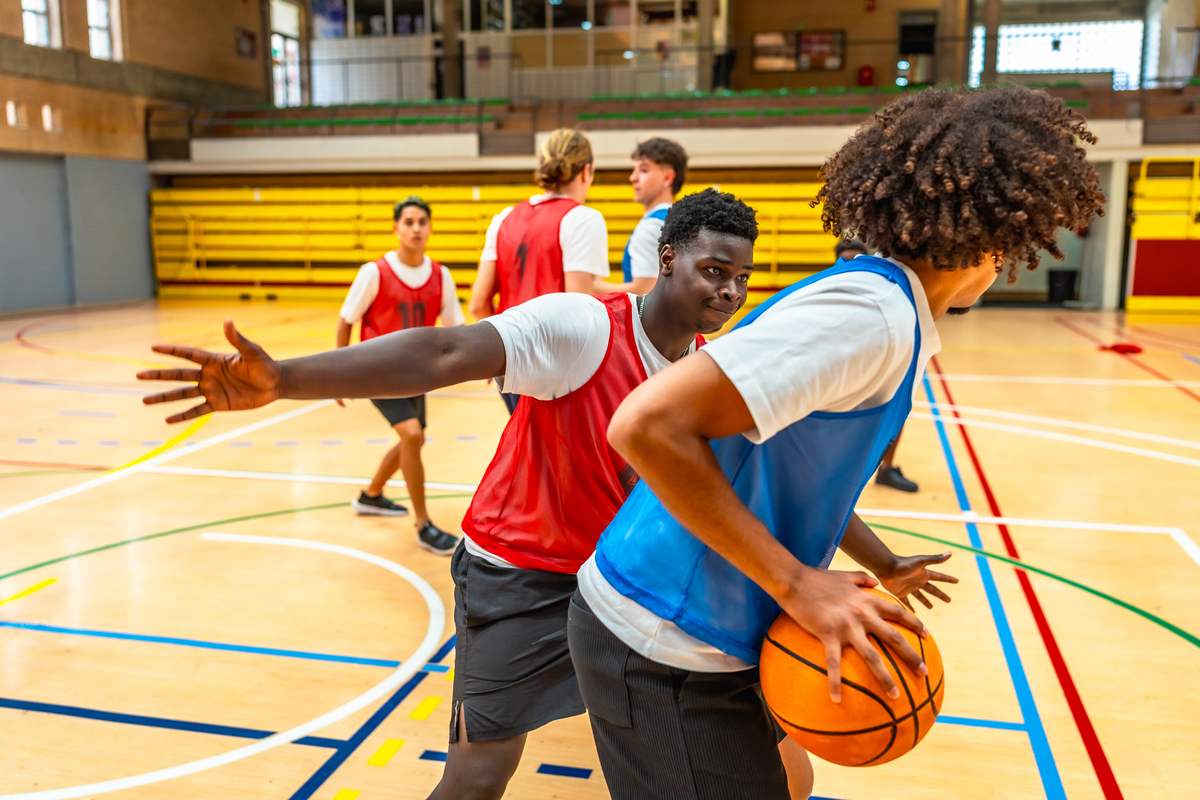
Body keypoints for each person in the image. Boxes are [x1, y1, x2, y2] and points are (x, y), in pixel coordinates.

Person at [139, 189, 820, 800]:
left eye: (740, 279)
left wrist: (861, 568)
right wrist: (286, 378)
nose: (729, 292)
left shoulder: (707, 369)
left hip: (625, 579)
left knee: (782, 766)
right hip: (522, 575)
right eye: (713, 272)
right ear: (667, 259)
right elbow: (445, 353)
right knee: (476, 779)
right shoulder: (583, 327)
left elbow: (757, 478)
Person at [568, 86, 1107, 800]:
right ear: (991, 241)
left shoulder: (887, 309)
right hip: (662, 627)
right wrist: (799, 584)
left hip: (708, 621)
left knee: (792, 778)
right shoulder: (872, 317)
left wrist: (877, 559)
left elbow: (786, 468)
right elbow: (643, 425)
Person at [336, 195, 463, 555]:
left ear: (430, 227)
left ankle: (371, 495)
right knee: (411, 435)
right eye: (408, 222)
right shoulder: (375, 272)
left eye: (422, 221)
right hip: (377, 369)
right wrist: (340, 371)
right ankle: (424, 524)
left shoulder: (441, 275)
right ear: (396, 228)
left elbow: (456, 327)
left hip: (417, 374)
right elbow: (346, 319)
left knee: (415, 439)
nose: (416, 228)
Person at [468, 128, 613, 414]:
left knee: (530, 454)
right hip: (554, 366)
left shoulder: (504, 218)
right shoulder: (583, 219)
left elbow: (477, 304)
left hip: (509, 360)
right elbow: (580, 308)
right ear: (587, 171)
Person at [836, 238, 919, 493]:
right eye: (846, 259)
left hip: (877, 358)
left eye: (856, 259)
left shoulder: (882, 288)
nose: (852, 264)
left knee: (895, 411)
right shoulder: (831, 287)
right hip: (842, 365)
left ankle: (886, 469)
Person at [622, 137, 688, 294]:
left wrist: (589, 286)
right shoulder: (680, 221)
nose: (633, 177)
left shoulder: (651, 227)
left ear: (667, 178)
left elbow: (643, 292)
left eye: (643, 170)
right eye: (634, 169)